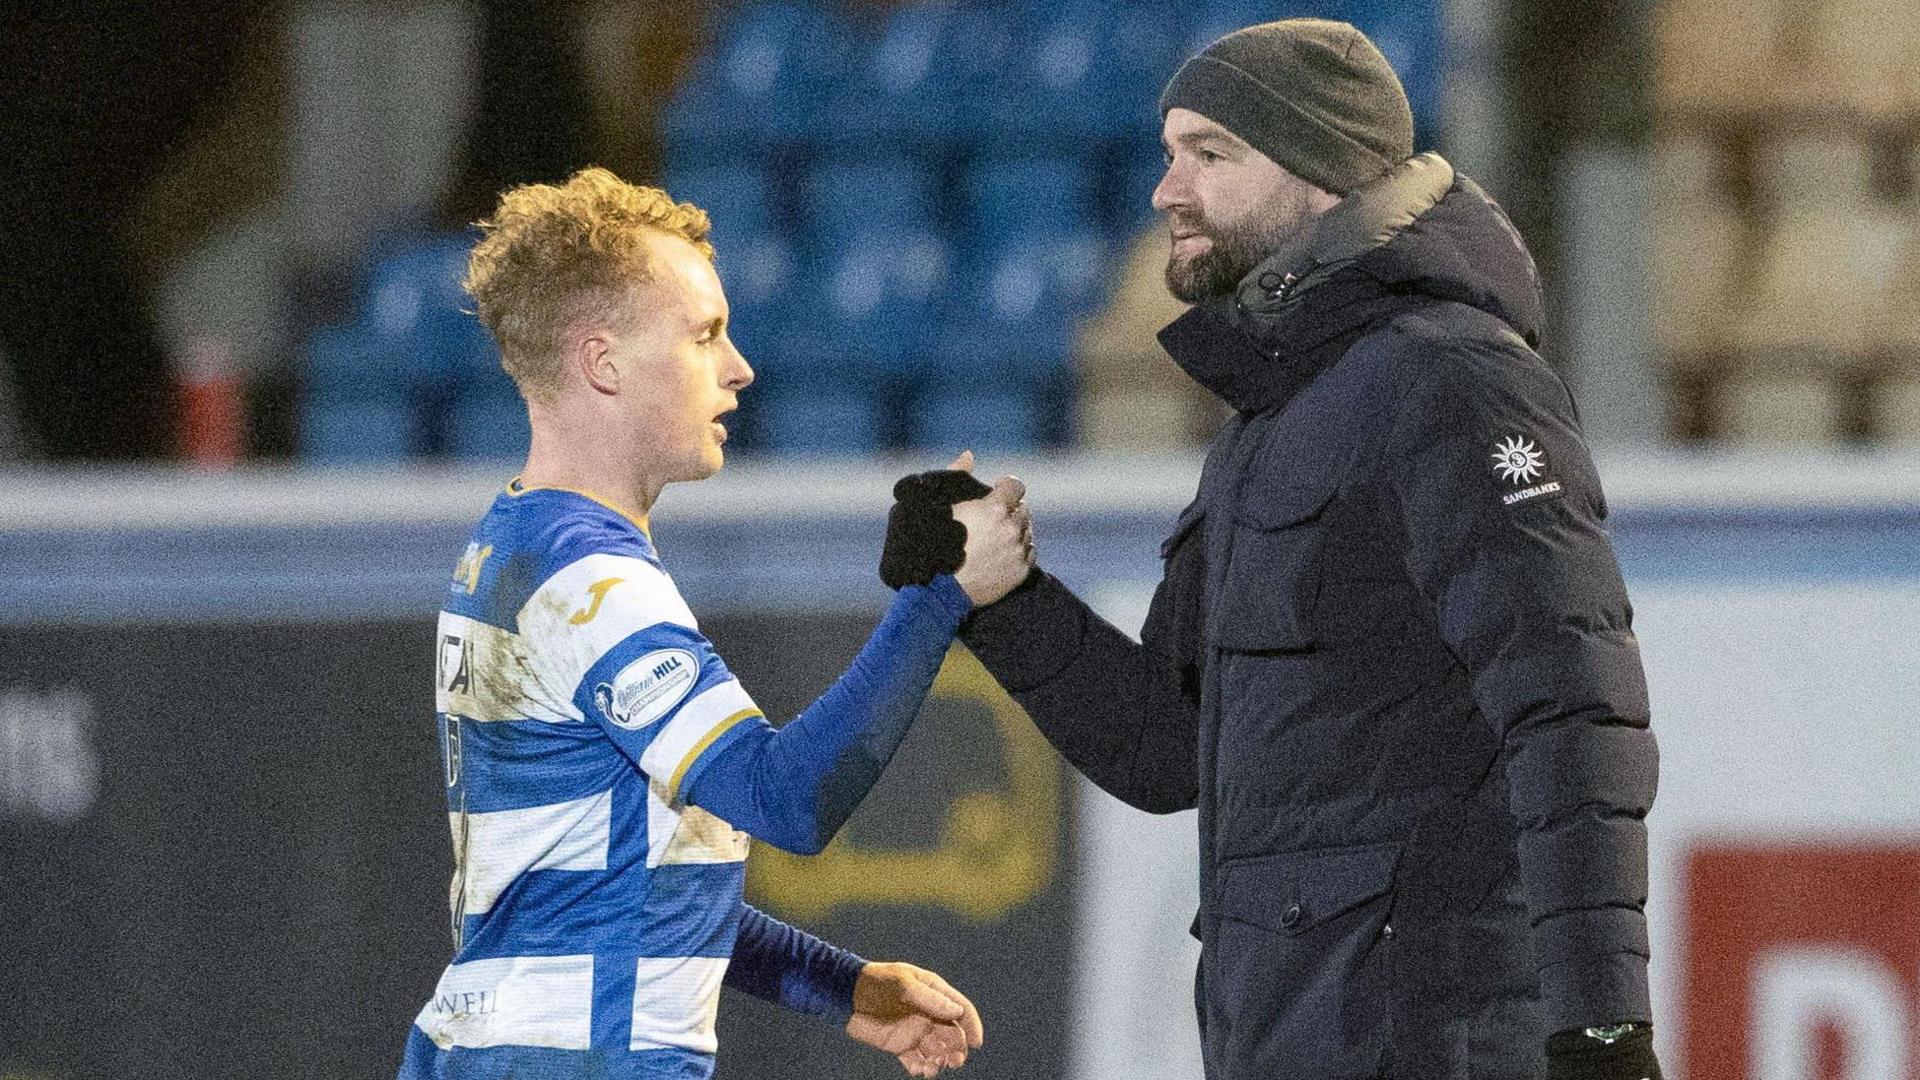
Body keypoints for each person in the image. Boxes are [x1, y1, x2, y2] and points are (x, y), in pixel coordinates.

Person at [881, 19, 1662, 1080]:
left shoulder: (1454, 381)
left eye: (1212, 154)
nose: (1169, 189)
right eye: (1169, 153)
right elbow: (1166, 743)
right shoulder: (1268, 423)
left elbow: (1574, 706)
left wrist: (1604, 1023)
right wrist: (1005, 597)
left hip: (1438, 1038)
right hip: (1289, 1037)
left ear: (1324, 171)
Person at [398, 167, 1029, 1080]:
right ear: (602, 361)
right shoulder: (589, 579)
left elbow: (618, 890)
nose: (739, 367)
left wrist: (839, 985)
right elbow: (788, 800)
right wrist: (942, 595)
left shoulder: (516, 543)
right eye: (703, 335)